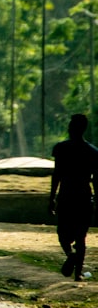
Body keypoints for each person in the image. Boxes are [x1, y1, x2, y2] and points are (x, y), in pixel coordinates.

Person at [49, 113, 98, 281]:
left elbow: (57, 175)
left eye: (70, 125)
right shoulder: (92, 152)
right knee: (80, 237)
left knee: (63, 234)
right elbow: (96, 181)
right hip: (84, 198)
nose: (69, 128)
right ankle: (78, 274)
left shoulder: (61, 148)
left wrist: (51, 198)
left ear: (73, 128)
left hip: (66, 196)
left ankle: (70, 254)